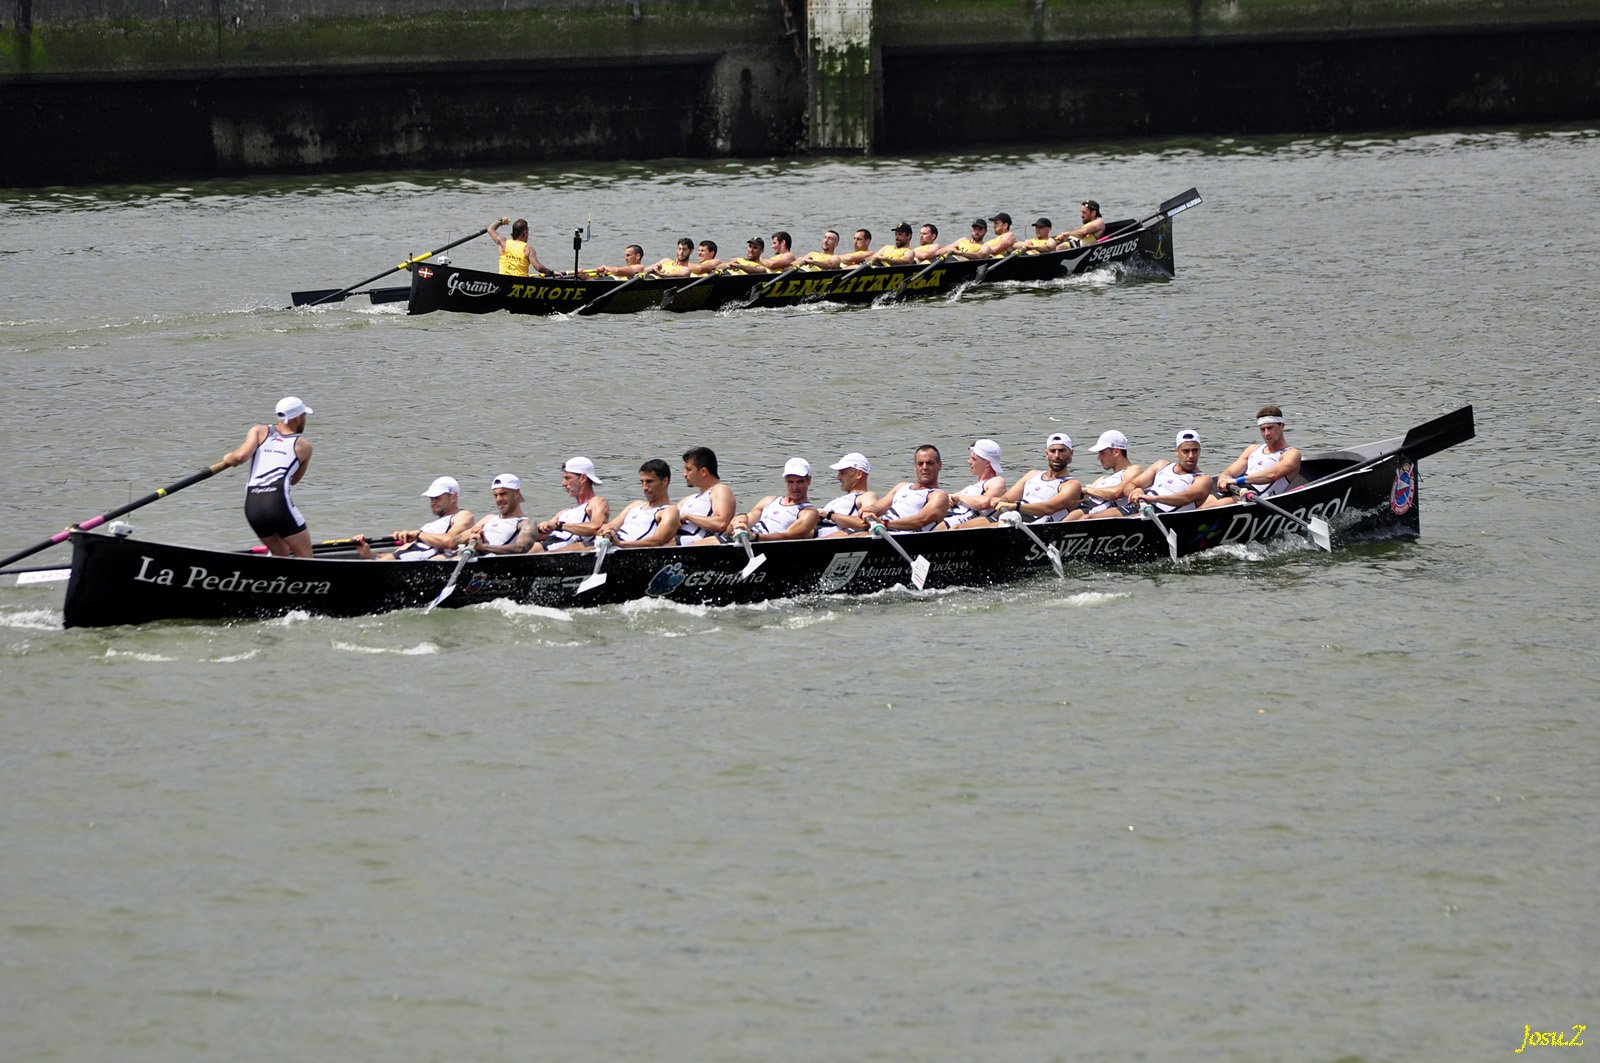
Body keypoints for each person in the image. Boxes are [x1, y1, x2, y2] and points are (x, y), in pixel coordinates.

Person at [222, 396, 315, 557]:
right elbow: (294, 481)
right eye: (304, 416)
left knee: (280, 552)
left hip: (253, 505)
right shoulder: (304, 446)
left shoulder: (259, 431)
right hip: (277, 503)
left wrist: (227, 457)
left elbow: (239, 457)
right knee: (306, 557)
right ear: (298, 418)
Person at [1202, 404, 1304, 508]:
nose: (1266, 433)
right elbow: (1229, 472)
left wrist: (1236, 481)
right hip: (1239, 490)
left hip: (1256, 497)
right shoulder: (1253, 449)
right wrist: (1224, 478)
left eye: (1270, 428)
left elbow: (1272, 475)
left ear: (1282, 426)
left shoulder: (1291, 454)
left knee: (1208, 507)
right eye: (1262, 429)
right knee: (1202, 503)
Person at [355, 476, 475, 560]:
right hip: (413, 555)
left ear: (453, 497)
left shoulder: (463, 515)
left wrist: (417, 534)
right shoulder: (429, 526)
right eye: (431, 498)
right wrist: (369, 555)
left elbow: (450, 541)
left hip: (434, 557)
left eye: (437, 498)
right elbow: (402, 552)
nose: (433, 502)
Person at [990, 433, 1082, 523]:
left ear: (1071, 453)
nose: (1057, 456)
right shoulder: (1032, 475)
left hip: (1035, 524)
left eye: (1062, 451)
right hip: (1016, 518)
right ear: (1046, 454)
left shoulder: (1071, 485)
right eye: (1052, 451)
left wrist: (1014, 506)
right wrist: (998, 501)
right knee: (983, 521)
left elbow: (1049, 508)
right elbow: (1007, 499)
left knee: (984, 523)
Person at [859, 445, 950, 532]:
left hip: (901, 535)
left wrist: (884, 523)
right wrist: (870, 510)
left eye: (929, 463)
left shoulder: (938, 495)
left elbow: (920, 521)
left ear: (939, 466)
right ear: (915, 467)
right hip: (880, 531)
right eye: (920, 463)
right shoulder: (901, 486)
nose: (924, 467)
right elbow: (878, 507)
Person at [530, 457, 610, 552]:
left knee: (528, 549)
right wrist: (538, 529)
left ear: (583, 478)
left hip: (566, 547)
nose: (563, 483)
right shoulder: (564, 512)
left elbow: (597, 527)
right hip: (549, 543)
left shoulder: (597, 502)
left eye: (567, 478)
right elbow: (543, 534)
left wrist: (559, 526)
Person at [731, 458, 821, 542]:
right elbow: (748, 521)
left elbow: (790, 537)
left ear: (809, 481)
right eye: (791, 482)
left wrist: (755, 537)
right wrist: (740, 519)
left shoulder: (809, 513)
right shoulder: (768, 500)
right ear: (786, 480)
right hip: (745, 539)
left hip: (762, 544)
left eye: (800, 482)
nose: (795, 487)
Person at [597, 459, 681, 548]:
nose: (645, 487)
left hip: (626, 550)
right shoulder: (635, 505)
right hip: (610, 546)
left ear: (665, 481)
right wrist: (606, 530)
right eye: (642, 482)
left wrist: (620, 544)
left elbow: (657, 541)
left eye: (649, 482)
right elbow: (612, 526)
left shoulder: (669, 511)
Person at [1125, 430, 1215, 513]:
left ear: (1199, 451)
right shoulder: (1161, 465)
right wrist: (1137, 490)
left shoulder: (1203, 479)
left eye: (1195, 450)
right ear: (1177, 452)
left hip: (1162, 516)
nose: (1191, 455)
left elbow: (1186, 498)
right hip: (1141, 507)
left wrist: (1153, 499)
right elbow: (1130, 486)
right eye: (1186, 451)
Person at [1069, 430, 1143, 520]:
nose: (1099, 458)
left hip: (1098, 513)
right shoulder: (1102, 479)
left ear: (1116, 452)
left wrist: (1087, 490)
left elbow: (1117, 493)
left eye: (1102, 453)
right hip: (1087, 507)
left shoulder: (1133, 470)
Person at [940, 439, 1008, 527]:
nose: (969, 462)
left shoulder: (997, 481)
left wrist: (959, 497)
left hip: (955, 525)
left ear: (987, 463)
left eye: (973, 459)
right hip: (947, 517)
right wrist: (948, 499)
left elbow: (985, 502)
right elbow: (953, 497)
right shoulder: (970, 488)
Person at [677, 446, 738, 544]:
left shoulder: (720, 490)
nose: (684, 474)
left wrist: (688, 517)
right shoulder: (688, 499)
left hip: (698, 543)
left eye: (688, 469)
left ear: (703, 472)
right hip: (676, 539)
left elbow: (721, 523)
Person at [463, 473, 532, 554]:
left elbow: (520, 548)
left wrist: (483, 547)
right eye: (496, 495)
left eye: (503, 494)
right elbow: (454, 542)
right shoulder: (489, 519)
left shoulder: (526, 523)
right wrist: (472, 537)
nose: (498, 499)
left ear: (516, 493)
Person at [816, 452, 877, 537]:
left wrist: (828, 515)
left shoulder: (867, 496)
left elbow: (868, 522)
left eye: (842, 473)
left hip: (823, 536)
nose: (838, 478)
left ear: (858, 474)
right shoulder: (844, 498)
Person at [488, 218, 556, 277]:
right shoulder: (528, 249)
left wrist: (501, 221)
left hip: (502, 280)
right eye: (528, 232)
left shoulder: (503, 243)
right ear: (525, 232)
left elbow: (490, 229)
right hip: (520, 282)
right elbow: (539, 267)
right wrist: (552, 273)